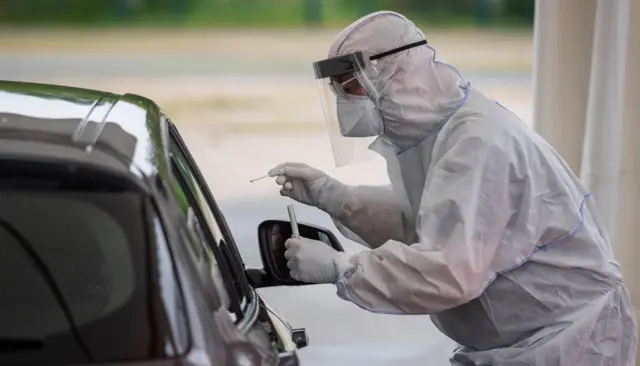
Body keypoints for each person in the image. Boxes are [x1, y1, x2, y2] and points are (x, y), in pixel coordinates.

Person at [268, 10, 637, 366]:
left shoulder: (478, 142)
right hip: (524, 343)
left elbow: (449, 270)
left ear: (392, 72)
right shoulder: (439, 132)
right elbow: (431, 220)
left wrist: (341, 267)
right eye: (337, 91)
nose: (345, 102)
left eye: (351, 88)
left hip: (568, 345)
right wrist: (338, 198)